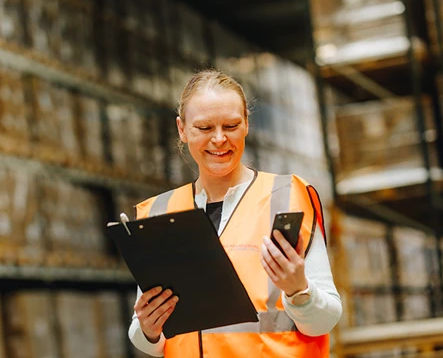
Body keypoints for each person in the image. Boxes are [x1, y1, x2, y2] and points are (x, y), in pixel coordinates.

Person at [128, 69, 342, 357]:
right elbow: (147, 340)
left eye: (231, 125)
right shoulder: (159, 213)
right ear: (182, 129)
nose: (219, 139)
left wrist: (298, 291)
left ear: (246, 125)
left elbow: (324, 321)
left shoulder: (287, 197)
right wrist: (149, 329)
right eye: (204, 128)